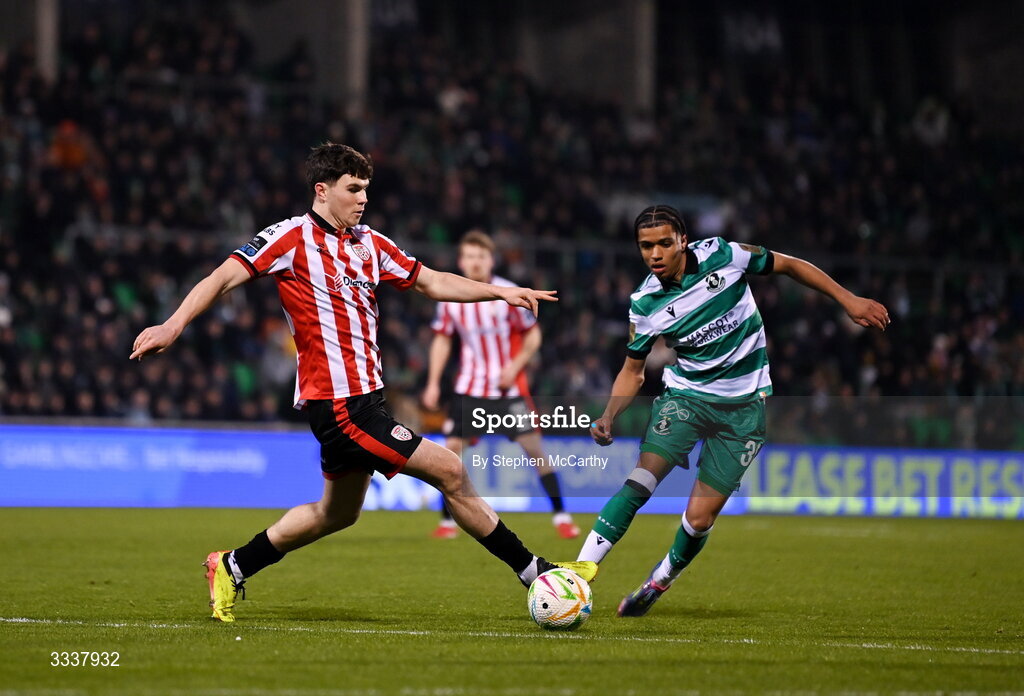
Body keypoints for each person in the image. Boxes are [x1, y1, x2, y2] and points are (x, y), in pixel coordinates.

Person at [129, 143, 596, 622]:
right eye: (353, 189)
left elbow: (431, 281)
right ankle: (536, 570)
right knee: (451, 470)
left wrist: (500, 291)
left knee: (337, 514)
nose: (362, 198)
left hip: (367, 401)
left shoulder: (369, 243)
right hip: (338, 405)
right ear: (322, 190)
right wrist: (173, 324)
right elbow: (222, 278)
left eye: (366, 189)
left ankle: (231, 565)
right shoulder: (289, 238)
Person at [576, 205, 889, 617]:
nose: (654, 254)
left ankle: (660, 580)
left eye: (664, 244)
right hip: (686, 397)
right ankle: (579, 575)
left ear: (683, 241)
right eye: (645, 246)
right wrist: (609, 415)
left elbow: (790, 265)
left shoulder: (725, 255)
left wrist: (847, 299)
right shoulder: (645, 303)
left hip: (743, 406)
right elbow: (632, 372)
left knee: (699, 519)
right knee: (642, 479)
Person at [421, 230, 579, 540]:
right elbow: (442, 340)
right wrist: (433, 383)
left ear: (490, 260)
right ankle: (447, 522)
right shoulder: (451, 296)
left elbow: (533, 334)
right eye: (469, 256)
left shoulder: (507, 293)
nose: (475, 262)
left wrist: (516, 365)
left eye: (480, 256)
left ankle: (562, 515)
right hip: (469, 389)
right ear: (461, 261)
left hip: (506, 391)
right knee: (451, 454)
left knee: (535, 451)